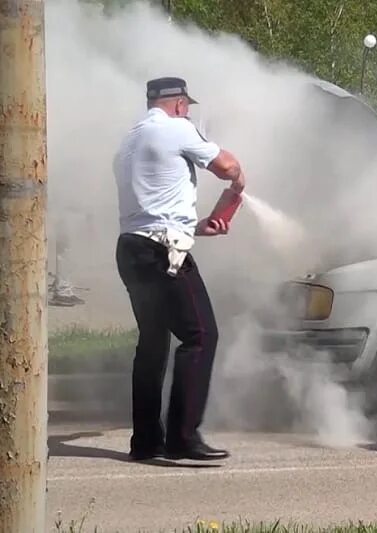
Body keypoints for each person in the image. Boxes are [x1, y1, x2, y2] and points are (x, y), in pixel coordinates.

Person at [113, 77, 245, 461]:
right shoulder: (176, 128)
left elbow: (151, 210)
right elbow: (227, 166)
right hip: (163, 251)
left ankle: (146, 442)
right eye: (187, 105)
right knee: (201, 335)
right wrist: (238, 180)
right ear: (180, 104)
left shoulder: (129, 141)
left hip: (132, 249)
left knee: (152, 344)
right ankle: (183, 437)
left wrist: (196, 227)